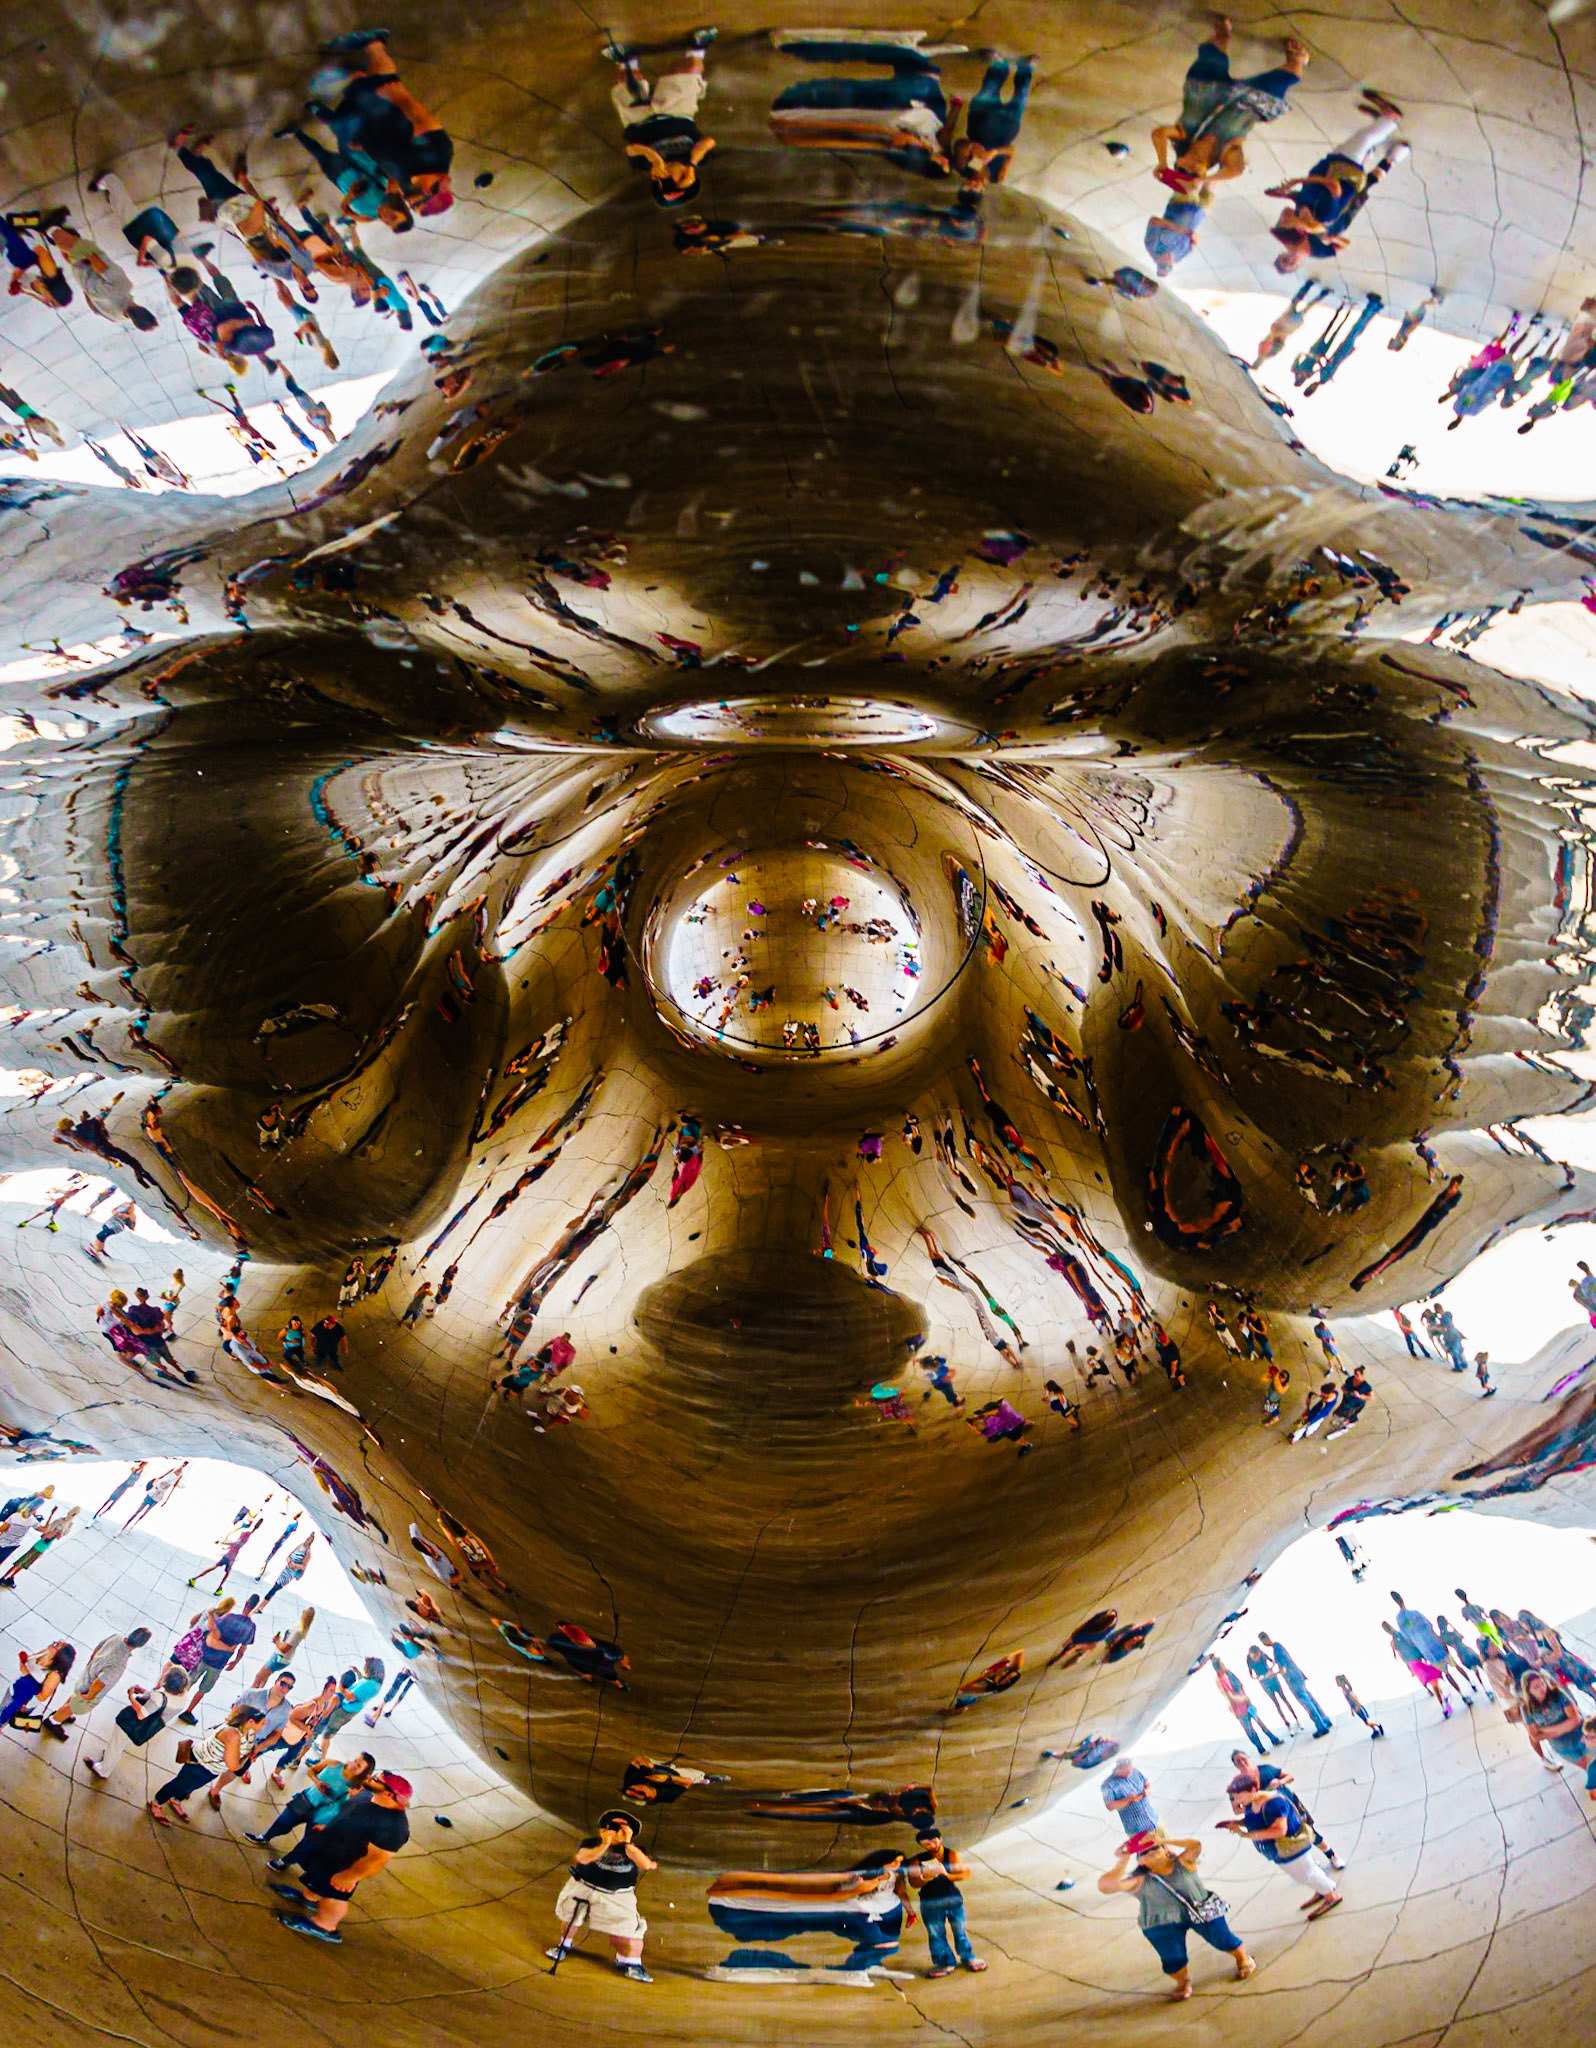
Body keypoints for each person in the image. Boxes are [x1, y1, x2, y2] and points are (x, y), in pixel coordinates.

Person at [1097, 1828, 1255, 2001]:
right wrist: (1124, 1858)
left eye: (1154, 1848)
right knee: (1172, 1957)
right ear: (1141, 1862)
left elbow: (1195, 1845)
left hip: (1201, 1909)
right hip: (1162, 1921)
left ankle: (1242, 1957)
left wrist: (1163, 1841)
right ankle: (1182, 1981)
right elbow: (1107, 1886)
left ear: (1166, 1852)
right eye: (1143, 1853)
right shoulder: (1140, 1880)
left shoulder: (1184, 1863)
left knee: (1222, 1938)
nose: (1150, 1852)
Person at [1151, 15, 1308, 187]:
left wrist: (1162, 163)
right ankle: (1297, 61)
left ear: (1178, 162)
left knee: (1212, 52)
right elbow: (1237, 170)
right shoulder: (1226, 153)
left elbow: (1159, 133)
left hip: (1209, 88)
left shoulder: (1182, 138)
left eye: (1182, 170)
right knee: (1290, 75)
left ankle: (1222, 35)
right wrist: (1205, 181)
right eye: (1194, 174)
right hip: (1251, 101)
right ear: (1203, 173)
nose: (1190, 168)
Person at [271, 1768, 413, 1945]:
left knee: (335, 1895)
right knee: (318, 1881)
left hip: (345, 1865)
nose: (370, 1778)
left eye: (376, 1779)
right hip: (330, 1849)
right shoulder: (368, 1795)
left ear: (390, 1794)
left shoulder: (395, 1827)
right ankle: (310, 1898)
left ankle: (325, 1926)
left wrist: (351, 1876)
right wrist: (328, 1827)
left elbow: (377, 1860)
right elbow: (349, 1815)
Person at [1269, 104, 1409, 271]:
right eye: (1291, 262)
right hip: (1345, 184)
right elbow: (1333, 189)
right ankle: (1389, 125)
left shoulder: (1299, 226)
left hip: (1336, 178)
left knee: (1364, 157)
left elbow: (1302, 199)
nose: (1290, 255)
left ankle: (1381, 131)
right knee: (1365, 155)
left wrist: (1283, 194)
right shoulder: (1318, 241)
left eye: (1284, 257)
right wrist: (1333, 238)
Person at [547, 1809, 657, 1981]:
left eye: (622, 1827)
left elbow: (646, 1865)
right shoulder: (590, 1843)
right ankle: (564, 1945)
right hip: (584, 1887)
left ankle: (631, 1963)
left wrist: (627, 1843)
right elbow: (583, 1858)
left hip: (617, 1896)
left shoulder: (636, 1849)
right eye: (613, 1826)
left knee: (628, 1928)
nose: (616, 1830)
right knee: (570, 1917)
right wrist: (605, 1843)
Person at [1220, 1781, 1342, 1918]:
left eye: (1239, 1796)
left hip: (1291, 1848)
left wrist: (1244, 1834)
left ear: (1253, 1789)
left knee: (1307, 1874)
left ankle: (1331, 1895)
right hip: (1279, 1851)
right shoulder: (1252, 1802)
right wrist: (1237, 1823)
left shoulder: (1274, 1803)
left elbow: (1279, 1831)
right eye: (1234, 1798)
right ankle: (1322, 1889)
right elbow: (1255, 1818)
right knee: (1303, 1874)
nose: (1237, 1801)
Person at [149, 1703, 265, 1824]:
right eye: (262, 1723)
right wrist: (246, 1758)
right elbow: (233, 1766)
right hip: (200, 1764)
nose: (264, 1726)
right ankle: (157, 1803)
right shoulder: (233, 1734)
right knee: (179, 1784)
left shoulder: (250, 1731)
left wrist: (250, 1753)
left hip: (213, 1769)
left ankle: (176, 1800)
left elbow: (249, 1747)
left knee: (191, 1786)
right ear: (251, 1721)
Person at [1227, 1751, 1342, 1871]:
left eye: (1243, 1758)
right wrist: (1255, 1803)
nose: (1242, 1762)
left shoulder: (1266, 1770)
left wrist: (1280, 1782)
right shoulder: (1236, 1784)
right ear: (1235, 1765)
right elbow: (1236, 1809)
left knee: (1309, 1831)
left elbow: (1290, 1777)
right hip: (1270, 1817)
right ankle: (1311, 1860)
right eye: (1238, 1761)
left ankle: (1332, 1855)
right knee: (1289, 1840)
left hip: (1292, 1807)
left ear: (1249, 1758)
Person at [247, 1750, 374, 1854]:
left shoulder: (359, 1788)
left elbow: (352, 1810)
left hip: (325, 1815)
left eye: (358, 1766)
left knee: (309, 1841)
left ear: (364, 1773)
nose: (353, 1765)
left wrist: (353, 1798)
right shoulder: (333, 1764)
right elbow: (311, 1770)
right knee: (283, 1821)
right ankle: (265, 1837)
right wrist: (317, 1782)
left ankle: (286, 1862)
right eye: (355, 1760)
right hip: (308, 1799)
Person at [41, 1625, 152, 1740]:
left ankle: (62, 1714)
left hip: (87, 1675)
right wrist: (90, 1696)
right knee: (75, 1706)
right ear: (140, 1645)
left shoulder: (116, 1637)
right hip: (89, 1689)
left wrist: (90, 1661)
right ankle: (53, 1721)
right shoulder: (119, 1663)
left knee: (75, 1698)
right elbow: (100, 1682)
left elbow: (98, 1647)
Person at [904, 1825, 987, 1976]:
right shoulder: (917, 1860)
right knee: (936, 1935)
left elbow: (965, 1873)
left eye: (934, 1841)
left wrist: (945, 1874)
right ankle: (945, 1962)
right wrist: (926, 1877)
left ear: (940, 1839)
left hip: (952, 1899)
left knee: (960, 1931)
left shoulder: (951, 1855)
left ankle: (968, 1957)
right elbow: (913, 1882)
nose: (931, 1846)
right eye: (926, 1844)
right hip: (930, 1902)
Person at [84, 1664, 189, 1782]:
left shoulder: (159, 1698)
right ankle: (109, 1756)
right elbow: (161, 1700)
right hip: (152, 1725)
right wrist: (145, 1692)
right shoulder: (183, 1697)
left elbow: (142, 1714)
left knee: (116, 1744)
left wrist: (131, 1697)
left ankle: (103, 1769)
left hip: (134, 1724)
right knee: (119, 1744)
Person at [175, 1595, 260, 1722]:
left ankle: (175, 1703)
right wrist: (235, 1662)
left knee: (189, 1681)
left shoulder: (229, 1617)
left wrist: (210, 1615)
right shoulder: (251, 1628)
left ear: (246, 1603)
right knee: (204, 1689)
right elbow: (242, 1649)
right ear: (255, 1607)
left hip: (204, 1655)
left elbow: (213, 1631)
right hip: (219, 1664)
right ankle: (188, 1711)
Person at [1258, 1633, 1332, 1737]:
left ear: (1265, 1640)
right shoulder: (1278, 1646)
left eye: (1262, 1641)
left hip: (1292, 1679)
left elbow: (1284, 1669)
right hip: (1297, 1675)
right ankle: (1325, 1720)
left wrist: (1272, 1674)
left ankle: (1321, 1726)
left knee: (1307, 1703)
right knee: (1310, 1699)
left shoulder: (1277, 1651)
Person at [311, 1658, 383, 1761]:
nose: (364, 1668)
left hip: (345, 1711)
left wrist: (342, 1688)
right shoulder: (376, 1683)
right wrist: (358, 1673)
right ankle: (322, 1746)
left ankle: (321, 1759)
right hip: (353, 1709)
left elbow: (350, 1696)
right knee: (329, 1732)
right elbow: (363, 1681)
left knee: (328, 1733)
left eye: (366, 1667)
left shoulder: (366, 1685)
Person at [1211, 1657, 1282, 1753]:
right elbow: (1230, 1697)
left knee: (1259, 1722)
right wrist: (1243, 1699)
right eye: (1222, 1665)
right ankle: (1261, 1749)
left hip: (1246, 1703)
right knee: (1250, 1730)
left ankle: (1274, 1739)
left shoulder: (1228, 1674)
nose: (1225, 1666)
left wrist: (1247, 1699)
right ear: (1218, 1669)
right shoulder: (1222, 1680)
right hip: (1239, 1708)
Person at [1518, 1670, 1587, 1770]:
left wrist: (1544, 1729)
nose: (1542, 1688)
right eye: (1536, 1687)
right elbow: (1535, 1737)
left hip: (1583, 1736)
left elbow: (1576, 1720)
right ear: (1529, 1691)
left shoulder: (1557, 1694)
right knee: (1588, 1768)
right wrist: (1566, 1726)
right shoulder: (1526, 1708)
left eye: (1542, 1683)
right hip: (1564, 1748)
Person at [1, 1640, 76, 1728]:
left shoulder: (54, 1675)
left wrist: (27, 1674)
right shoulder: (45, 1652)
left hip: (22, 1702)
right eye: (55, 1642)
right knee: (2, 1708)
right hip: (14, 1687)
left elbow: (42, 1696)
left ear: (60, 1656)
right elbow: (29, 1662)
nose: (52, 1644)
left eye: (56, 1645)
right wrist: (22, 1662)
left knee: (4, 1716)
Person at [188, 1514, 258, 1591]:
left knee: (216, 1567)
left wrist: (223, 1543)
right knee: (227, 1573)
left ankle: (195, 1578)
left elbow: (234, 1542)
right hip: (231, 1558)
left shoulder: (240, 1538)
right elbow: (248, 1534)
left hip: (227, 1556)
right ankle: (219, 1588)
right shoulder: (242, 1541)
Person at [253, 1605, 315, 1687]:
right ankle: (258, 1695)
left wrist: (276, 1641)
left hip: (280, 1657)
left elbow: (285, 1649)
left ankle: (248, 1697)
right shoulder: (302, 1629)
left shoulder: (298, 1632)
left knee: (259, 1677)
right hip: (283, 1658)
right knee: (264, 1678)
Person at [1246, 1640, 1302, 1729]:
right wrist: (1260, 1677)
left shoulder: (1263, 1655)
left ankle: (1296, 1718)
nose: (1256, 1658)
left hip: (1273, 1678)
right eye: (1254, 1657)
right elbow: (1251, 1675)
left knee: (1284, 1698)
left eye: (1257, 1656)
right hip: (1264, 1683)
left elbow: (1273, 1662)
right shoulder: (1249, 1659)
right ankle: (1286, 1722)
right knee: (1276, 1703)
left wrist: (1270, 1670)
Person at [1100, 1754, 1158, 1836]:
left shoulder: (1135, 1771)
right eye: (1127, 1771)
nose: (1130, 1773)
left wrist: (1147, 1791)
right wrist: (1129, 1799)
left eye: (1131, 1770)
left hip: (1153, 1819)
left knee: (1168, 1844)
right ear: (1118, 1769)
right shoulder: (1107, 1785)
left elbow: (1147, 1784)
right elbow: (1110, 1806)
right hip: (1137, 1830)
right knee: (1153, 1849)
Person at [262, 1532, 315, 1607]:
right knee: (275, 1586)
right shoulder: (300, 1545)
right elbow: (289, 1556)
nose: (307, 1540)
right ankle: (262, 1607)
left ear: (311, 1542)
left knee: (275, 1588)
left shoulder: (308, 1552)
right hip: (286, 1569)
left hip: (291, 1573)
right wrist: (289, 1560)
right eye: (307, 1538)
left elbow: (304, 1566)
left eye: (309, 1539)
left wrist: (295, 1565)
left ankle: (259, 1606)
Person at [1335, 1673, 1384, 1738]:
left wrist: (1357, 1708)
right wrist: (1352, 1710)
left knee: (1367, 1722)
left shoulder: (1347, 1691)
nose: (1337, 1683)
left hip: (1359, 1709)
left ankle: (1378, 1725)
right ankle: (1375, 1730)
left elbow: (1356, 1700)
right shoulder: (1344, 1690)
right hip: (1356, 1709)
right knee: (1366, 1722)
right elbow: (1349, 1702)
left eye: (1337, 1681)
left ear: (1341, 1682)